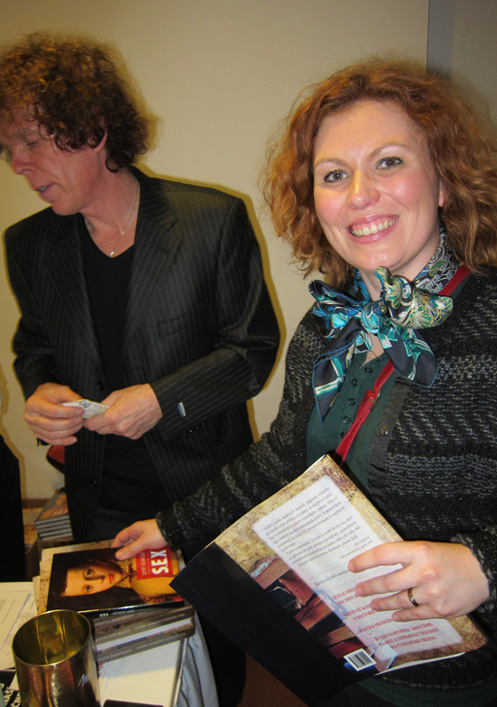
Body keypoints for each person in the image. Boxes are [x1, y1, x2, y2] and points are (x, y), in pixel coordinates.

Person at [113, 58, 497, 706]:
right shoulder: (326, 327)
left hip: (457, 683)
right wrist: (175, 525)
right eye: (334, 174)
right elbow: (284, 454)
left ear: (442, 181)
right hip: (340, 658)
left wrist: (483, 567)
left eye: (389, 162)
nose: (359, 194)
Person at [0, 33, 279, 707]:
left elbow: (251, 351)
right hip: (101, 498)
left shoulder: (210, 221)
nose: (18, 164)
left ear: (94, 129)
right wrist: (39, 389)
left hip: (204, 490)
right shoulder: (28, 244)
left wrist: (161, 398)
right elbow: (33, 345)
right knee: (127, 668)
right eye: (8, 149)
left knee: (217, 652)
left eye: (32, 141)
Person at [49, 549, 179, 610]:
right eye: (88, 588)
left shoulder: (133, 550)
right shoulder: (141, 593)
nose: (99, 580)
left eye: (89, 573)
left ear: (92, 561)